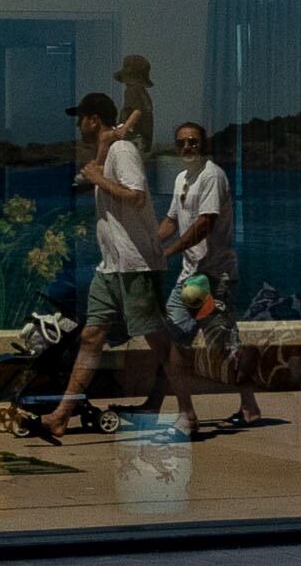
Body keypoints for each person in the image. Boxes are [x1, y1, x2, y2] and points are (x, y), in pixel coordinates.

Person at [20, 92, 169, 439]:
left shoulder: (125, 150)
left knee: (160, 342)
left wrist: (100, 173)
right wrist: (100, 155)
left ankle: (186, 408)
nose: (77, 126)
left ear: (93, 120)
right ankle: (60, 416)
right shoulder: (110, 149)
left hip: (136, 265)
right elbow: (87, 186)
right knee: (90, 337)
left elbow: (137, 196)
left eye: (81, 119)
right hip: (111, 265)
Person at [153, 119, 243, 424]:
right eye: (181, 143)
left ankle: (246, 404)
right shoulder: (181, 179)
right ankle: (185, 412)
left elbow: (204, 224)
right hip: (192, 278)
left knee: (219, 348)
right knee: (176, 339)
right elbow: (171, 221)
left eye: (193, 141)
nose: (187, 146)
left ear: (203, 145)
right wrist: (148, 244)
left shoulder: (212, 176)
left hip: (213, 277)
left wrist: (168, 252)